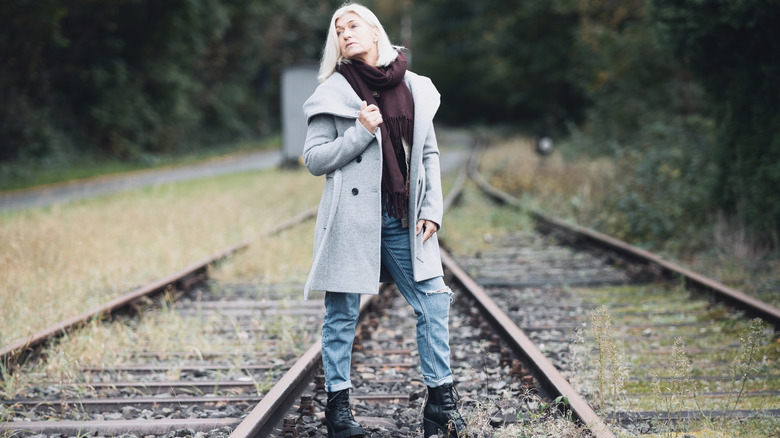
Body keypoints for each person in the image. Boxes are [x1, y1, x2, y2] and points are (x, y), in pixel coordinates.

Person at [301, 3, 467, 438]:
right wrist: (359, 131)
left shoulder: (414, 86)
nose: (345, 33)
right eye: (338, 29)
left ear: (375, 32)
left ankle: (441, 405)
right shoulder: (333, 92)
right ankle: (338, 410)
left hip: (400, 216)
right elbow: (315, 160)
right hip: (350, 219)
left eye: (352, 25)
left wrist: (432, 208)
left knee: (433, 299)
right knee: (341, 316)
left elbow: (428, 153)